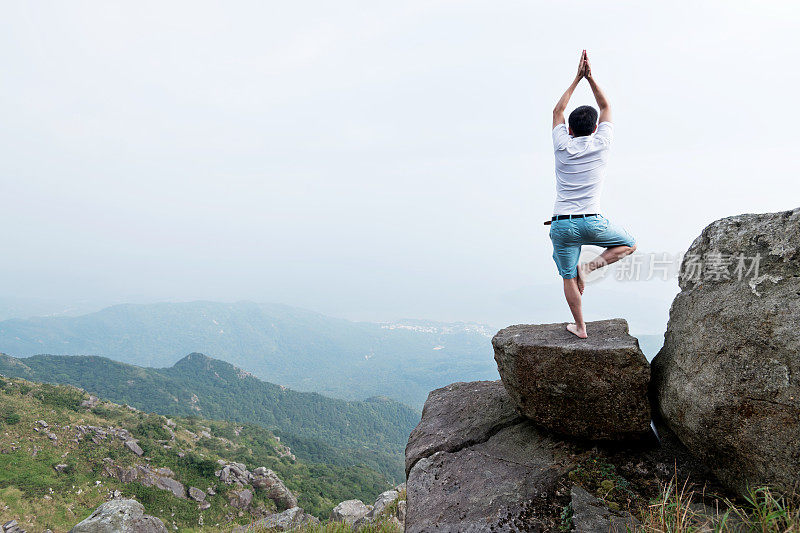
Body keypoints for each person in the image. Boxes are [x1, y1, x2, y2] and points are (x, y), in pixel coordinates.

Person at [548, 50, 636, 339]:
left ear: (569, 130)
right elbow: (606, 104)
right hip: (591, 221)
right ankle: (589, 268)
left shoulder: (562, 144)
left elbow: (557, 112)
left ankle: (581, 327)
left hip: (562, 223)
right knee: (630, 245)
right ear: (596, 128)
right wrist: (590, 78)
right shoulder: (602, 143)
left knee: (566, 275)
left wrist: (576, 79)